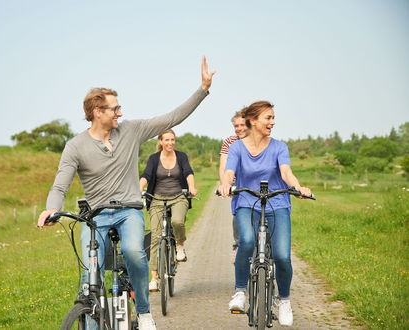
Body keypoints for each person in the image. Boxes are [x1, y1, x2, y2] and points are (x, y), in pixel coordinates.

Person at [37, 57, 215, 330]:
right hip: (95, 216)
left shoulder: (130, 130)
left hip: (128, 210)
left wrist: (202, 90)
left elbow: (172, 117)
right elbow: (60, 184)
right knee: (90, 274)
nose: (120, 112)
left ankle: (144, 311)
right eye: (114, 108)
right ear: (97, 111)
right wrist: (52, 208)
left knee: (133, 252)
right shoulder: (75, 146)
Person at [218, 101, 312, 327]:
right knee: (247, 242)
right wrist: (225, 185)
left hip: (277, 203)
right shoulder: (237, 148)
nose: (272, 122)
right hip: (247, 202)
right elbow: (229, 171)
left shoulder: (279, 147)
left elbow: (286, 172)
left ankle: (284, 301)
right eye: (268, 118)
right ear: (253, 120)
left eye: (273, 118)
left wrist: (298, 187)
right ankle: (240, 291)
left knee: (281, 255)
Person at [139, 129, 197, 292]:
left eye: (172, 140)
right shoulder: (154, 159)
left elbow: (188, 172)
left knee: (177, 221)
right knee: (155, 237)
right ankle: (154, 278)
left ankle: (179, 245)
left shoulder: (181, 156)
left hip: (178, 196)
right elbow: (146, 176)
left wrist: (191, 187)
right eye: (167, 140)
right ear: (160, 142)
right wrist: (138, 188)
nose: (170, 143)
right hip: (157, 198)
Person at [218, 108, 249, 263]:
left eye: (242, 125)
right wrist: (225, 184)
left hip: (256, 184)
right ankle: (237, 246)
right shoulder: (230, 141)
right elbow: (223, 165)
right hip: (238, 185)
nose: (239, 129)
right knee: (238, 214)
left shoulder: (257, 140)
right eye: (236, 126)